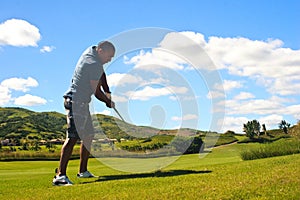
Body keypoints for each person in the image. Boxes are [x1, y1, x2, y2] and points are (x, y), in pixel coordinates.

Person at [52, 41, 115, 186]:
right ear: (100, 51)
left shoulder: (92, 52)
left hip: (81, 102)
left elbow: (102, 73)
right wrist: (107, 101)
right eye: (109, 56)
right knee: (73, 137)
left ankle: (83, 171)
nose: (109, 60)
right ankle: (60, 176)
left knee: (88, 135)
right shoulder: (91, 63)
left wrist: (108, 90)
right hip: (75, 101)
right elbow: (96, 91)